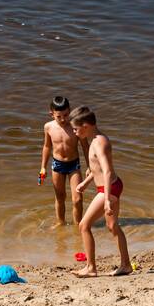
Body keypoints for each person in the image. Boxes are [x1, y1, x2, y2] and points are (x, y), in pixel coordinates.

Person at [69, 106, 131, 277]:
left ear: (86, 126)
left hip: (108, 188)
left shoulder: (99, 143)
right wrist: (86, 182)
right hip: (111, 186)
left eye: (75, 128)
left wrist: (106, 200)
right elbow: (96, 170)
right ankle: (126, 265)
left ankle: (90, 268)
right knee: (112, 226)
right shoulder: (95, 138)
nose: (74, 132)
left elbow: (107, 170)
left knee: (84, 225)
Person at [39, 96, 87, 226]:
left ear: (70, 111)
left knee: (77, 199)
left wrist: (90, 166)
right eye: (59, 116)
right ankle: (61, 223)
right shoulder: (48, 127)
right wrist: (43, 167)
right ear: (52, 114)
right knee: (60, 197)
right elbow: (47, 146)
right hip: (57, 165)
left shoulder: (75, 126)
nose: (63, 119)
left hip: (74, 165)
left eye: (66, 115)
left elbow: (85, 146)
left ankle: (78, 225)